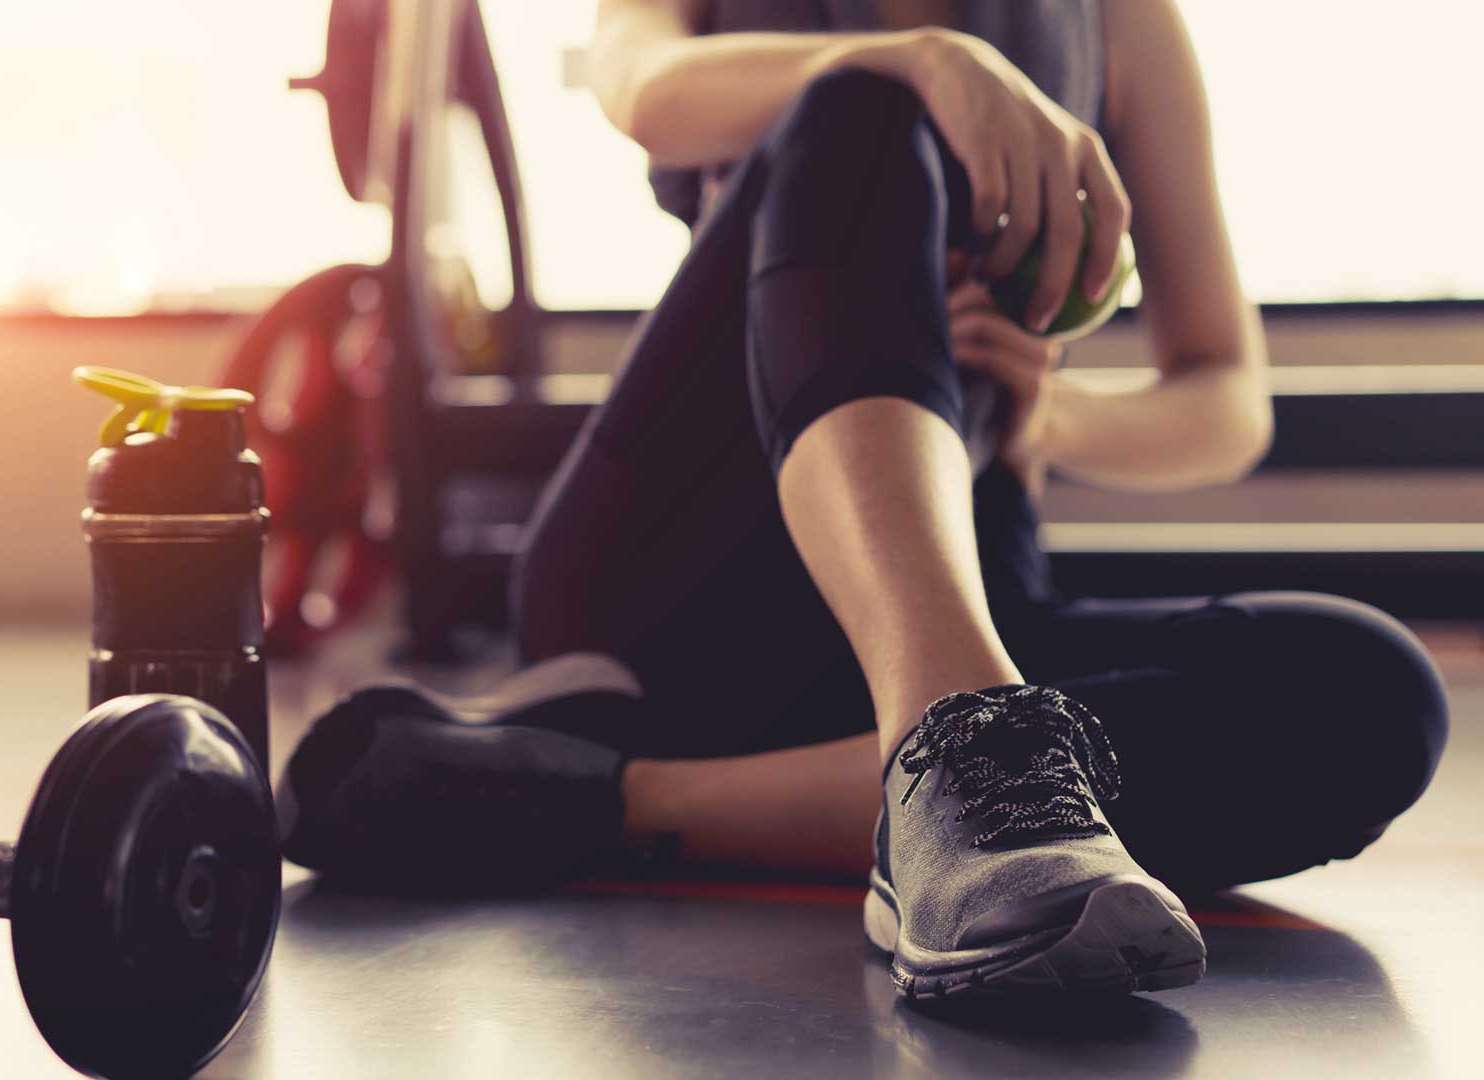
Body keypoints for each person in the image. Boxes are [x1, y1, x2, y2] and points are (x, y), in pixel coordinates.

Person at [275, 0, 1448, 998]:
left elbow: (1227, 398)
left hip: (967, 581)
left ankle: (618, 794)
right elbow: (642, 88)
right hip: (681, 579)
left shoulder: (1118, 19)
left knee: (1373, 694)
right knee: (866, 101)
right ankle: (961, 756)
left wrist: (1056, 419)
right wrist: (924, 57)